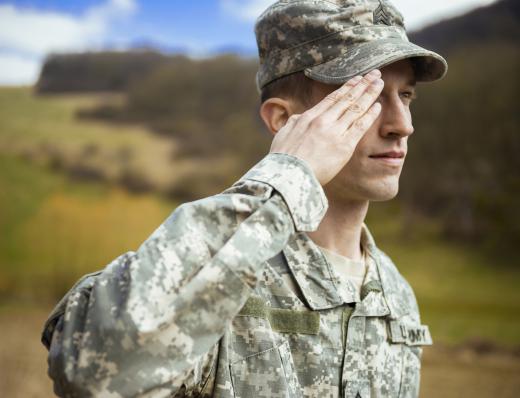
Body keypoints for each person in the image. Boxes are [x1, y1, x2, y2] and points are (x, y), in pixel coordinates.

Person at [41, 0, 447, 397]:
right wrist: (288, 173)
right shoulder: (215, 277)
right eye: (366, 96)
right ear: (283, 120)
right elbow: (90, 369)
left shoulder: (395, 293)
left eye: (406, 96)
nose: (402, 124)